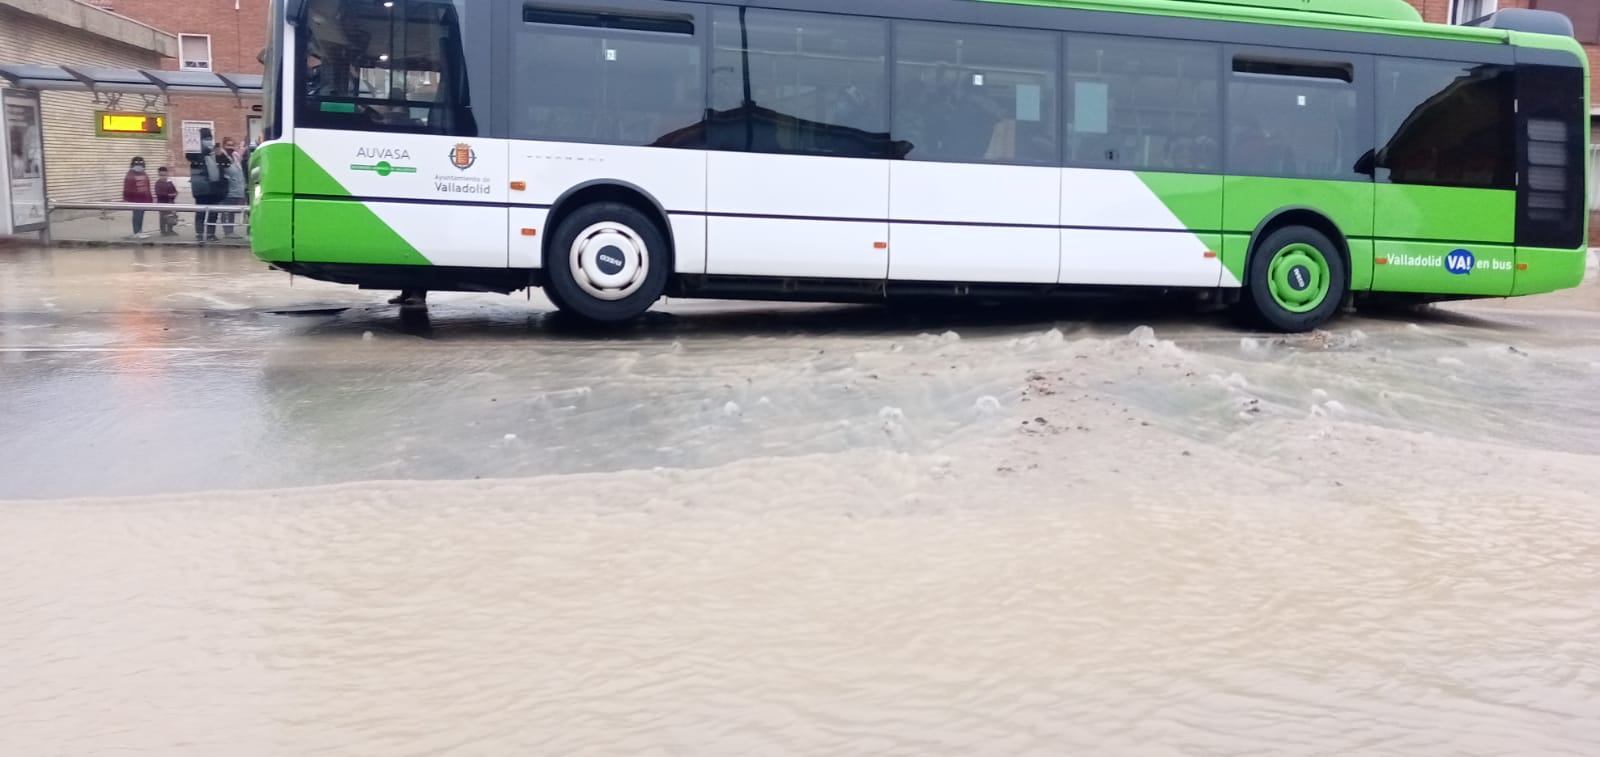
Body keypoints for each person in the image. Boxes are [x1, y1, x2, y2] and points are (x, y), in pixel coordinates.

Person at [187, 128, 224, 241]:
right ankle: (199, 233)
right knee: (201, 212)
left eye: (210, 138)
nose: (208, 140)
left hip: (213, 187)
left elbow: (224, 164)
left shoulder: (215, 151)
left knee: (213, 212)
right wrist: (204, 150)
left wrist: (218, 154)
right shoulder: (194, 152)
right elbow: (190, 157)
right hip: (201, 187)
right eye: (206, 138)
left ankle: (210, 234)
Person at [122, 157, 153, 237]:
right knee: (137, 215)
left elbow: (147, 186)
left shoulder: (144, 173)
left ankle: (140, 231)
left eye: (140, 164)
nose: (139, 166)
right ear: (133, 165)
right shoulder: (130, 174)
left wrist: (150, 198)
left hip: (144, 199)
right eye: (137, 164)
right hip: (135, 199)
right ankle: (136, 232)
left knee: (141, 215)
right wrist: (126, 199)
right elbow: (127, 187)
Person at [220, 147, 246, 238]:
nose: (230, 147)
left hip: (238, 189)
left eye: (232, 144)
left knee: (232, 212)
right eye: (227, 145)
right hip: (229, 190)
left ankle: (230, 231)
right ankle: (228, 232)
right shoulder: (222, 158)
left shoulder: (236, 157)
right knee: (227, 211)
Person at [154, 166, 179, 236]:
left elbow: (175, 190)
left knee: (171, 216)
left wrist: (175, 194)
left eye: (165, 175)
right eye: (161, 175)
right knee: (163, 217)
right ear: (158, 175)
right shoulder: (158, 183)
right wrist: (168, 195)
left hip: (171, 202)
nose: (163, 177)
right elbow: (159, 193)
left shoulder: (169, 182)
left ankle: (170, 230)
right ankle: (163, 231)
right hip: (162, 203)